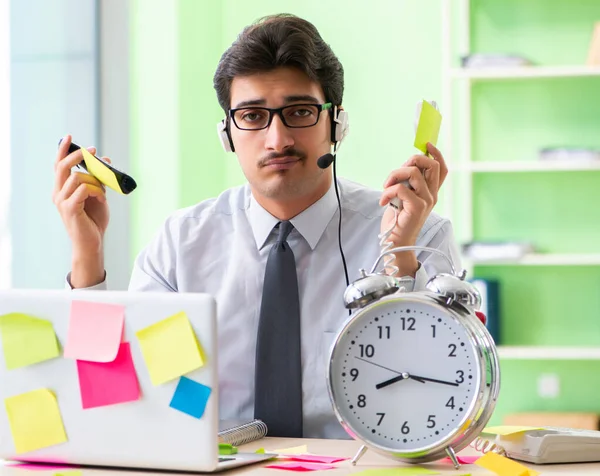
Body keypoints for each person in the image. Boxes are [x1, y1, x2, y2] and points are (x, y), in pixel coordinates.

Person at [53, 14, 460, 439]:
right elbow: (112, 396)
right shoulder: (180, 245)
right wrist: (87, 257)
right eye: (252, 115)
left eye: (299, 112)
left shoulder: (418, 235)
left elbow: (441, 396)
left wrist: (401, 257)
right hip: (220, 461)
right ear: (227, 133)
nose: (277, 139)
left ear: (337, 123)